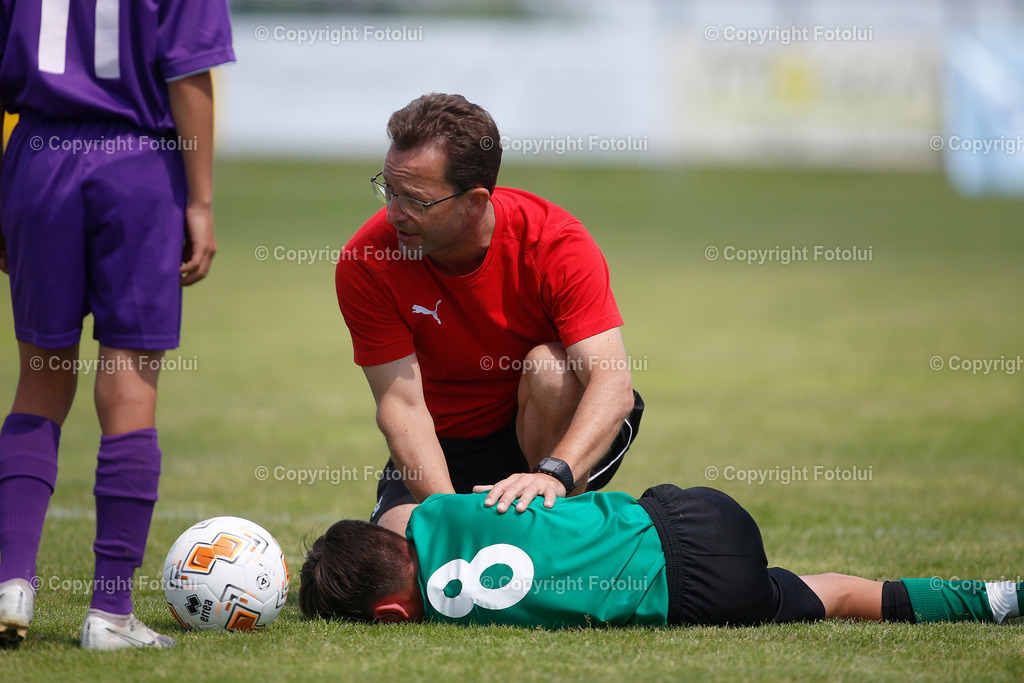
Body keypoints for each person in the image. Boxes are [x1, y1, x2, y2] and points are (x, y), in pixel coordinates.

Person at [0, 0, 234, 649]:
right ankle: (109, 611)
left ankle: (8, 581)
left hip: (36, 159)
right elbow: (188, 75)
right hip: (135, 165)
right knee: (129, 383)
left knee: (39, 379)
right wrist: (201, 200)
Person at [335, 93, 643, 535]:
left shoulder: (555, 243)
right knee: (402, 556)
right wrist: (450, 520)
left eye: (416, 201)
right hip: (442, 446)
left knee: (551, 369)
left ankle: (556, 528)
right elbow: (402, 407)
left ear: (475, 201)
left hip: (546, 440)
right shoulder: (367, 260)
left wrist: (550, 475)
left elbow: (612, 385)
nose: (393, 213)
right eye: (389, 188)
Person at [298, 484, 1022, 628]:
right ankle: (1005, 596)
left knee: (830, 592)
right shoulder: (441, 512)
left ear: (394, 612)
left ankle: (991, 598)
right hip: (690, 516)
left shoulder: (443, 620)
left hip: (705, 595)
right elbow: (407, 508)